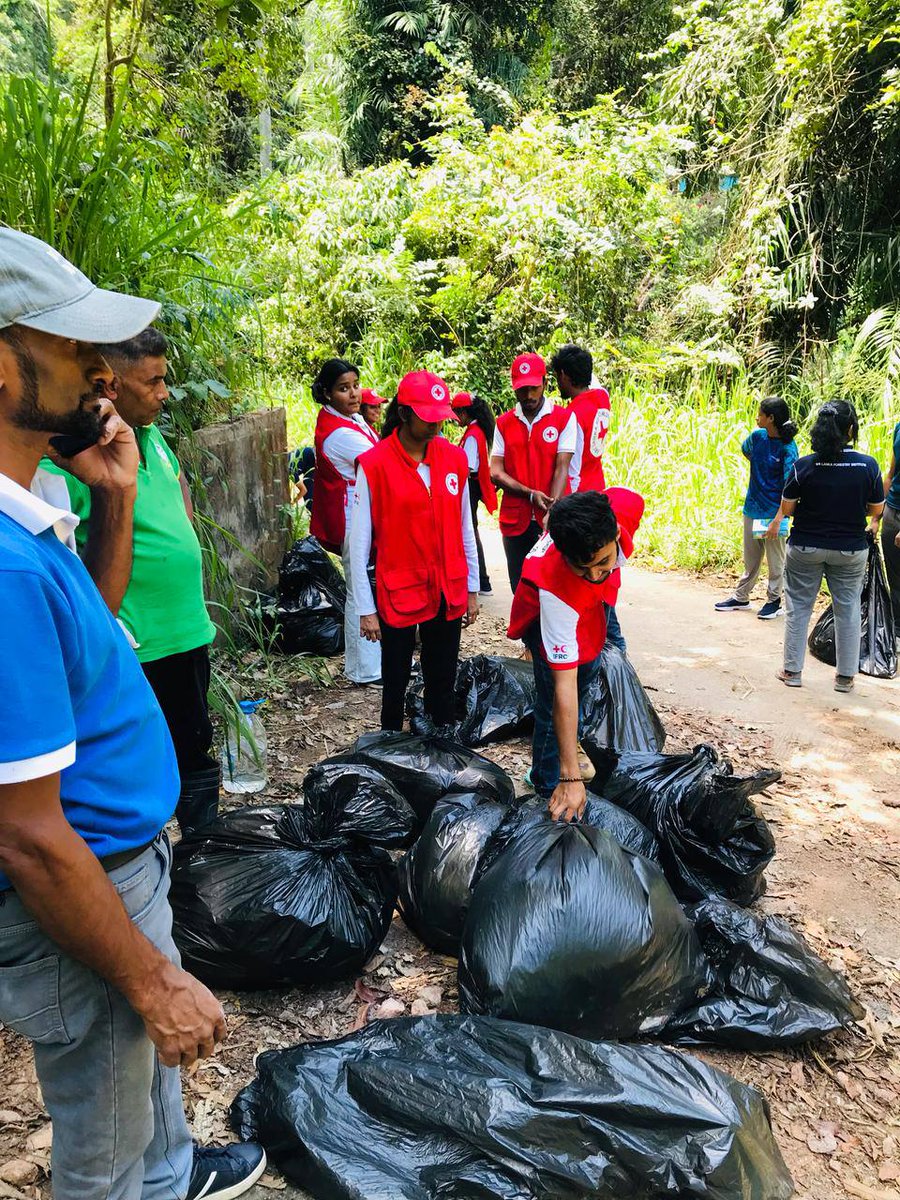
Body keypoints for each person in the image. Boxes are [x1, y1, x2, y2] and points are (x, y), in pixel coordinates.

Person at [0, 228, 265, 1200]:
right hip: (82, 894)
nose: (101, 372)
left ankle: (175, 1173)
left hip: (120, 867)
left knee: (143, 1114)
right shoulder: (1, 561)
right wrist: (151, 981)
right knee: (104, 1159)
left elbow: (96, 637)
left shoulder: (32, 511)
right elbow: (26, 837)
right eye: (74, 348)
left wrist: (111, 499)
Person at [42, 328, 221, 835]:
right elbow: (67, 552)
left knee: (194, 746)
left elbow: (178, 496)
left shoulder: (152, 438)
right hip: (136, 641)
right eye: (154, 381)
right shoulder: (74, 461)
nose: (165, 392)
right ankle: (151, 861)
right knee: (140, 759)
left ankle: (203, 859)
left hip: (186, 629)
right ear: (112, 385)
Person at [350, 370, 480, 733]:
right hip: (399, 590)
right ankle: (390, 744)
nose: (437, 424)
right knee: (394, 680)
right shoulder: (375, 465)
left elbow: (465, 528)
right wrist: (366, 609)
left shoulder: (453, 459)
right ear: (404, 414)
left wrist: (470, 587)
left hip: (446, 586)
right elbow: (357, 544)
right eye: (428, 417)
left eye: (442, 416)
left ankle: (442, 747)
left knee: (443, 676)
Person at [508, 488, 644, 818]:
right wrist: (569, 777)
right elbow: (562, 689)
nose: (596, 575)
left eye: (603, 563)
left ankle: (571, 741)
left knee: (588, 673)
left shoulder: (620, 512)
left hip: (590, 611)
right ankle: (544, 776)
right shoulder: (555, 588)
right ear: (566, 557)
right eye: (584, 569)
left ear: (615, 533)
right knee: (552, 700)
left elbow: (618, 500)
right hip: (546, 617)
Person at [778, 400, 884, 692]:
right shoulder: (867, 465)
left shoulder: (805, 465)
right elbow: (876, 508)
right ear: (851, 430)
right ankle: (845, 678)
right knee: (847, 608)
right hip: (850, 549)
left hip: (805, 547)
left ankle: (792, 673)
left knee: (799, 608)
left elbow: (787, 508)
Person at [549, 342, 628, 652]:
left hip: (582, 499)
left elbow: (570, 469)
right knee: (602, 574)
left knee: (589, 579)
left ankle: (610, 651)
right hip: (601, 491)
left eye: (558, 376)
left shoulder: (572, 415)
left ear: (565, 376)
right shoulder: (602, 399)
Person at [309, 358, 381, 685]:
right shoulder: (338, 433)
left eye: (354, 386)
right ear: (326, 393)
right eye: (343, 389)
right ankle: (365, 669)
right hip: (353, 517)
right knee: (360, 592)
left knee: (367, 587)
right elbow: (378, 462)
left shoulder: (349, 420)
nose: (353, 394)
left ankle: (374, 662)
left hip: (360, 511)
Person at [490, 352, 577, 593]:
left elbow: (562, 466)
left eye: (534, 388)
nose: (528, 395)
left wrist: (553, 509)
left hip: (552, 520)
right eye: (522, 389)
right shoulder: (504, 423)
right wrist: (529, 494)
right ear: (513, 387)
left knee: (552, 590)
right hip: (515, 522)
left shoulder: (564, 418)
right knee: (520, 590)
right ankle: (527, 633)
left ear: (545, 384)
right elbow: (495, 471)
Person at [715, 396, 799, 620]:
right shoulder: (756, 437)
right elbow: (747, 451)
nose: (757, 417)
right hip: (752, 507)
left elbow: (790, 485)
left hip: (774, 512)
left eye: (760, 414)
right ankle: (741, 596)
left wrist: (779, 518)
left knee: (775, 561)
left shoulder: (788, 447)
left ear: (771, 418)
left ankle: (774, 600)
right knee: (751, 558)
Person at [451, 390, 497, 596]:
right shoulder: (476, 430)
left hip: (470, 485)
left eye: (455, 414)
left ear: (463, 412)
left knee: (469, 532)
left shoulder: (472, 434)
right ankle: (481, 580)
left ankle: (481, 580)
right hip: (474, 484)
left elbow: (466, 467)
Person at [879, 417, 900, 630]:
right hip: (893, 509)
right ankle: (897, 629)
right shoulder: (899, 428)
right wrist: (877, 517)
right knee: (894, 573)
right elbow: (891, 473)